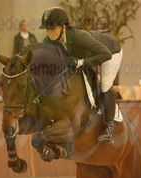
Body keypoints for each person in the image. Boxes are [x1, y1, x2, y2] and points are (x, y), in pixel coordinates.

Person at [40, 7, 122, 143]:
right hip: (90, 55)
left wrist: (83, 62)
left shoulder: (79, 37)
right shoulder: (49, 40)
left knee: (105, 84)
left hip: (111, 51)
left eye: (52, 28)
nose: (49, 32)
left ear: (63, 27)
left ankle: (109, 126)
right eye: (46, 28)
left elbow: (105, 54)